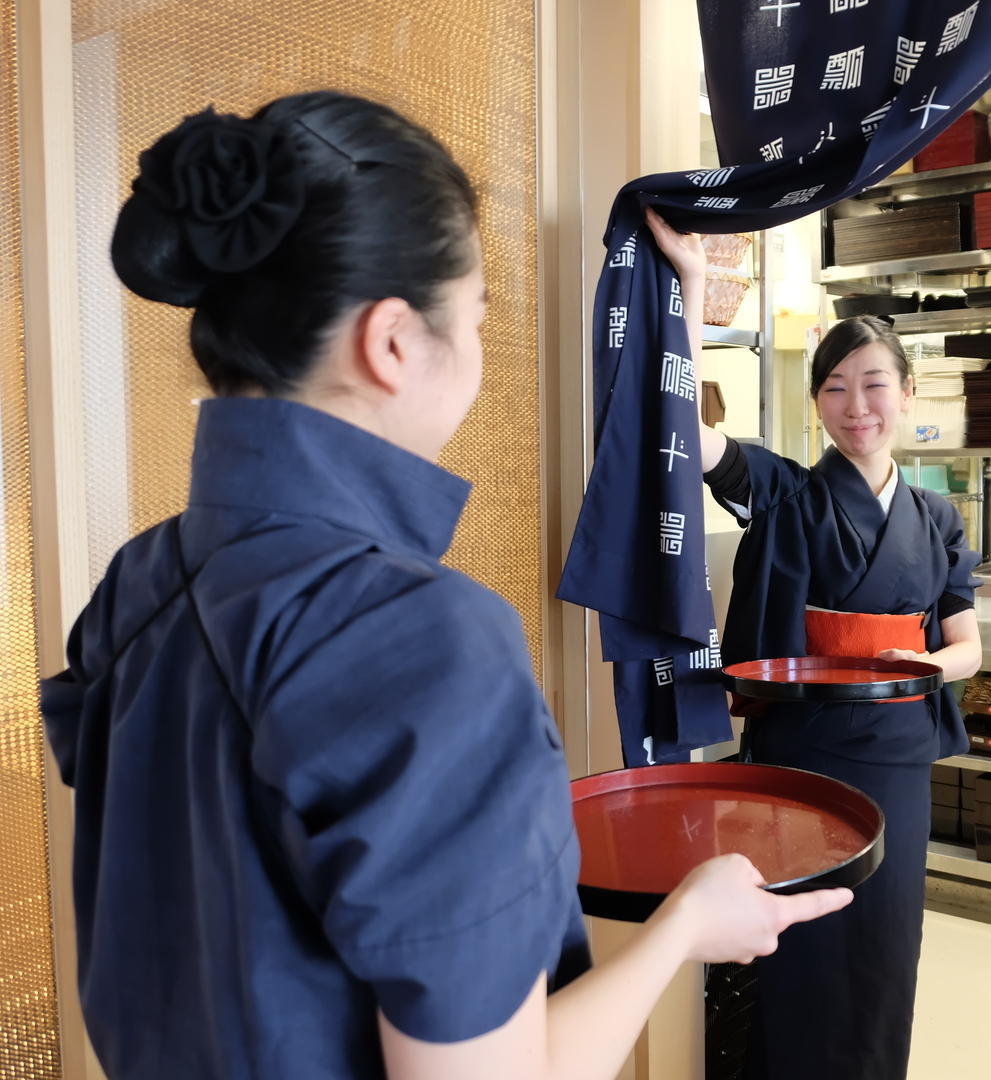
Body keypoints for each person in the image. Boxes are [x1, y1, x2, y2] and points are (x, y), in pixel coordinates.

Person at [40, 93, 852, 1080]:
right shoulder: (422, 637)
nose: (476, 355)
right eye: (474, 320)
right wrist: (684, 927)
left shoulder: (140, 580)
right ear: (391, 342)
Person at [645, 207, 982, 1080]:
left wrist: (928, 664)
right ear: (817, 401)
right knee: (799, 952)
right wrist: (691, 284)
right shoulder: (789, 493)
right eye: (835, 388)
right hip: (802, 756)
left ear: (907, 393)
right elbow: (685, 428)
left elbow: (967, 648)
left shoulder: (939, 516)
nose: (856, 407)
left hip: (898, 753)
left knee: (884, 948)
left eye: (874, 385)